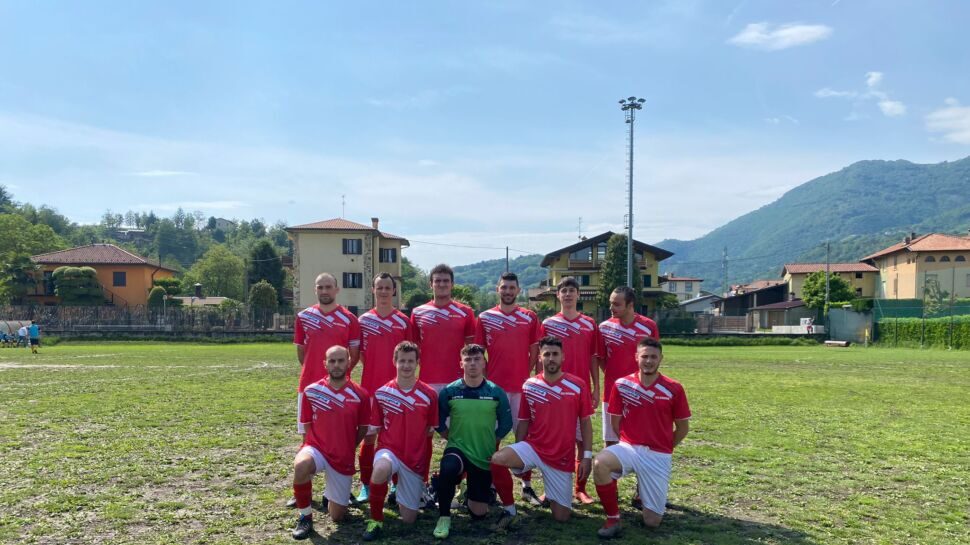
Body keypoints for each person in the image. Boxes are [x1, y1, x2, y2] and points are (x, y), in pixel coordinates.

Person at [592, 337, 690, 538]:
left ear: (661, 359)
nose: (649, 361)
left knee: (652, 522)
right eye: (644, 356)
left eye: (653, 357)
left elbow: (682, 428)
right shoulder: (622, 384)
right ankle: (613, 518)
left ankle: (647, 496)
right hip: (629, 448)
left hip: (658, 455)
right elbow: (615, 422)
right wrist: (628, 441)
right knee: (600, 463)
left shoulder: (674, 388)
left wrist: (665, 447)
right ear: (636, 357)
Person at [490, 336, 594, 525]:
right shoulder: (530, 385)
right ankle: (509, 510)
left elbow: (586, 423)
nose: (551, 358)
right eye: (547, 354)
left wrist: (586, 455)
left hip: (561, 457)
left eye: (555, 354)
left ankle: (554, 492)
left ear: (563, 357)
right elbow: (523, 421)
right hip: (534, 448)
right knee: (498, 459)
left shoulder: (577, 385)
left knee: (561, 517)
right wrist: (519, 448)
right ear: (539, 357)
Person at [289, 273, 361, 508]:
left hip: (341, 389)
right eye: (320, 287)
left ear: (336, 290)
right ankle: (303, 489)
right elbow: (302, 352)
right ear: (315, 289)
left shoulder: (349, 318)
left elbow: (354, 355)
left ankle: (340, 486)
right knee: (308, 438)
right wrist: (314, 375)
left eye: (328, 286)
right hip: (310, 387)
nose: (324, 291)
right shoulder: (304, 317)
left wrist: (340, 377)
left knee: (344, 436)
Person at [290, 346, 371, 540]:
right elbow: (307, 425)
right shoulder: (311, 391)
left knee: (337, 516)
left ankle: (332, 494)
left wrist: (347, 447)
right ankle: (305, 517)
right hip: (317, 449)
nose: (336, 365)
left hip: (342, 456)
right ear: (325, 364)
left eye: (341, 360)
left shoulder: (361, 395)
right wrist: (315, 445)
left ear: (349, 362)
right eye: (332, 361)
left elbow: (362, 428)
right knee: (301, 466)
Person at [432, 344, 513, 539]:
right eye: (468, 360)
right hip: (457, 448)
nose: (473, 364)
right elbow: (437, 420)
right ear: (461, 364)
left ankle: (466, 492)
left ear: (484, 362)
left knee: (479, 514)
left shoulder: (496, 392)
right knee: (449, 468)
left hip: (482, 455)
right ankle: (444, 516)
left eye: (477, 359)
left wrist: (494, 439)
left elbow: (506, 422)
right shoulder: (450, 391)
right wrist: (449, 437)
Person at [411, 263, 476, 500]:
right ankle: (423, 483)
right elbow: (413, 349)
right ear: (431, 284)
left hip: (456, 384)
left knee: (459, 435)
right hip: (427, 384)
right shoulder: (418, 312)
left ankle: (463, 484)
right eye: (437, 281)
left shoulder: (465, 312)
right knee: (424, 436)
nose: (441, 284)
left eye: (445, 281)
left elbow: (471, 351)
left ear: (452, 284)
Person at [475, 272, 541, 506]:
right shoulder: (485, 317)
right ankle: (492, 484)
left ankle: (526, 485)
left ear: (519, 290)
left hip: (521, 388)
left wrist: (527, 374)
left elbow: (535, 350)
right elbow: (479, 353)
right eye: (504, 287)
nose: (508, 291)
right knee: (492, 437)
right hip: (494, 389)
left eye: (512, 288)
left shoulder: (529, 317)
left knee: (524, 437)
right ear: (497, 289)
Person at [362, 341, 438, 541]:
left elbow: (429, 434)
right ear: (394, 362)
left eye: (410, 361)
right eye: (402, 361)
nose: (406, 365)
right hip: (390, 451)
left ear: (417, 363)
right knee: (379, 469)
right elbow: (375, 430)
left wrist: (424, 472)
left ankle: (407, 491)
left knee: (409, 519)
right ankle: (376, 520)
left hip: (414, 459)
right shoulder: (382, 393)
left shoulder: (430, 394)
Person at [539, 276, 601, 503]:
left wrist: (596, 388)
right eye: (563, 290)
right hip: (554, 390)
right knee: (554, 441)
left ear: (578, 295)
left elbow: (594, 357)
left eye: (571, 290)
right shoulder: (548, 324)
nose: (567, 294)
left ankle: (580, 488)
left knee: (582, 441)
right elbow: (541, 359)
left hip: (579, 390)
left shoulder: (589, 324)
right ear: (558, 295)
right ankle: (550, 487)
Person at [355, 273, 413, 504]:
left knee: (397, 437)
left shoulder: (403, 321)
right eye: (379, 287)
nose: (383, 291)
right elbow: (359, 354)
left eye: (387, 288)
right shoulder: (363, 321)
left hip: (397, 390)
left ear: (394, 291)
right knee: (368, 438)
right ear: (373, 290)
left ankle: (397, 485)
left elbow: (410, 355)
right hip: (370, 388)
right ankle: (366, 484)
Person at [597, 286, 659, 446]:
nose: (611, 308)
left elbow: (654, 358)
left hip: (641, 392)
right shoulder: (604, 328)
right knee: (611, 442)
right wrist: (615, 376)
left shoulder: (648, 326)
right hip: (611, 392)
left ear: (630, 305)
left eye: (617, 304)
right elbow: (601, 359)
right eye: (610, 303)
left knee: (640, 440)